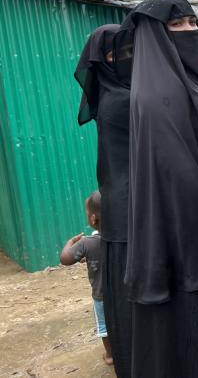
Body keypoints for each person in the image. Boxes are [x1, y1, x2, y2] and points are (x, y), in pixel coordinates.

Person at [115, 0, 198, 377]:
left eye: (193, 22)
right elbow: (180, 177)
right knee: (195, 332)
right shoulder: (157, 98)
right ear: (156, 36)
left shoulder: (195, 83)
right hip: (197, 241)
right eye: (178, 25)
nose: (192, 31)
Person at [73, 24, 133, 377]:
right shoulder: (121, 99)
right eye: (123, 53)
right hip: (127, 208)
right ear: (105, 60)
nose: (132, 60)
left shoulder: (113, 92)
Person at [60, 191, 112, 366]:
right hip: (122, 293)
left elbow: (65, 259)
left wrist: (70, 243)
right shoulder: (123, 239)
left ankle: (111, 355)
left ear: (93, 219)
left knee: (104, 327)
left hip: (101, 296)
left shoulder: (87, 243)